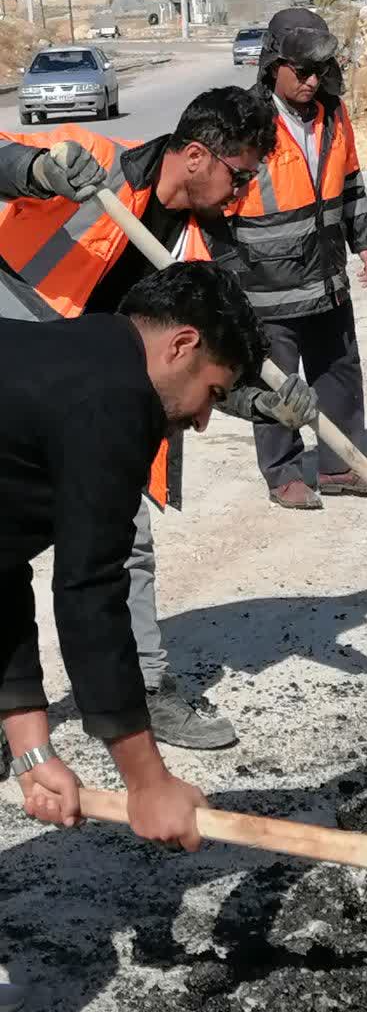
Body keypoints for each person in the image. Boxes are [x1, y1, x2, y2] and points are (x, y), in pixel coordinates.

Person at [0, 263, 266, 1012]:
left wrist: (31, 748)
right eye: (212, 393)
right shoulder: (117, 403)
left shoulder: (75, 360)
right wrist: (147, 781)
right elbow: (89, 596)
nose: (201, 417)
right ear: (182, 346)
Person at [0, 87, 318, 749]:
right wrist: (34, 173)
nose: (243, 191)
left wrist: (261, 403)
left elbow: (202, 358)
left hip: (95, 394)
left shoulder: (195, 255)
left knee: (122, 533)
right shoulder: (91, 163)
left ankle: (142, 689)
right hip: (17, 347)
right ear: (197, 156)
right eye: (240, 174)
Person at [209, 8, 367, 509]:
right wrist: (227, 277)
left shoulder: (334, 114)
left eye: (318, 72)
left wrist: (364, 241)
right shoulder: (244, 122)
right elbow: (216, 206)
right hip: (265, 283)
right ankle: (284, 473)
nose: (310, 82)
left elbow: (350, 181)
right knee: (276, 381)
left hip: (326, 275)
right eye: (301, 71)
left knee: (339, 370)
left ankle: (340, 465)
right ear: (272, 64)